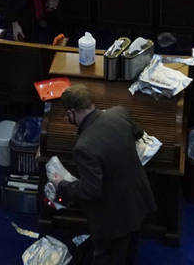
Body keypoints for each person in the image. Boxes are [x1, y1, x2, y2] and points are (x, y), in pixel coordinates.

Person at [51, 85, 156, 265]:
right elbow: (138, 133)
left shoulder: (83, 147)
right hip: (140, 200)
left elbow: (90, 191)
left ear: (71, 112)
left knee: (108, 257)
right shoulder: (119, 112)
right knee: (129, 250)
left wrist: (62, 185)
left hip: (115, 220)